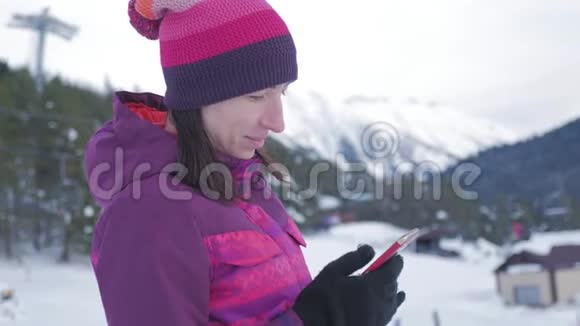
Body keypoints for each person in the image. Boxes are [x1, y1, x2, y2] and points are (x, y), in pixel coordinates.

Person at [84, 0, 406, 325]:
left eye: (282, 93)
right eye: (255, 96)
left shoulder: (240, 182)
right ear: (197, 94)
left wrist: (335, 306)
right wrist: (322, 319)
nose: (278, 122)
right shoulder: (149, 214)